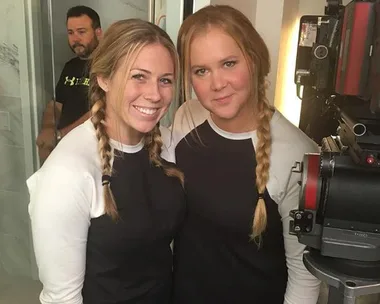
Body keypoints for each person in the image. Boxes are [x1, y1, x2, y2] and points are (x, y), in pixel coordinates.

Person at [169, 5, 321, 304]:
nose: (217, 84)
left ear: (254, 59)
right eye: (201, 70)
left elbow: (305, 275)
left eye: (228, 63)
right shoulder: (187, 117)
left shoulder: (299, 155)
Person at [27, 18, 186, 304]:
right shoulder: (68, 172)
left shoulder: (165, 144)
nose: (155, 94)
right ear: (104, 78)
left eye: (165, 80)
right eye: (138, 76)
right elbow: (61, 298)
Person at [36, 5, 102, 162]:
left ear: (98, 33)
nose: (75, 39)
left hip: (92, 149)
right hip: (64, 148)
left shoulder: (108, 66)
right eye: (70, 33)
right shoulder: (70, 66)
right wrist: (48, 128)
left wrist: (61, 135)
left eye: (81, 32)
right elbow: (55, 105)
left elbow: (102, 109)